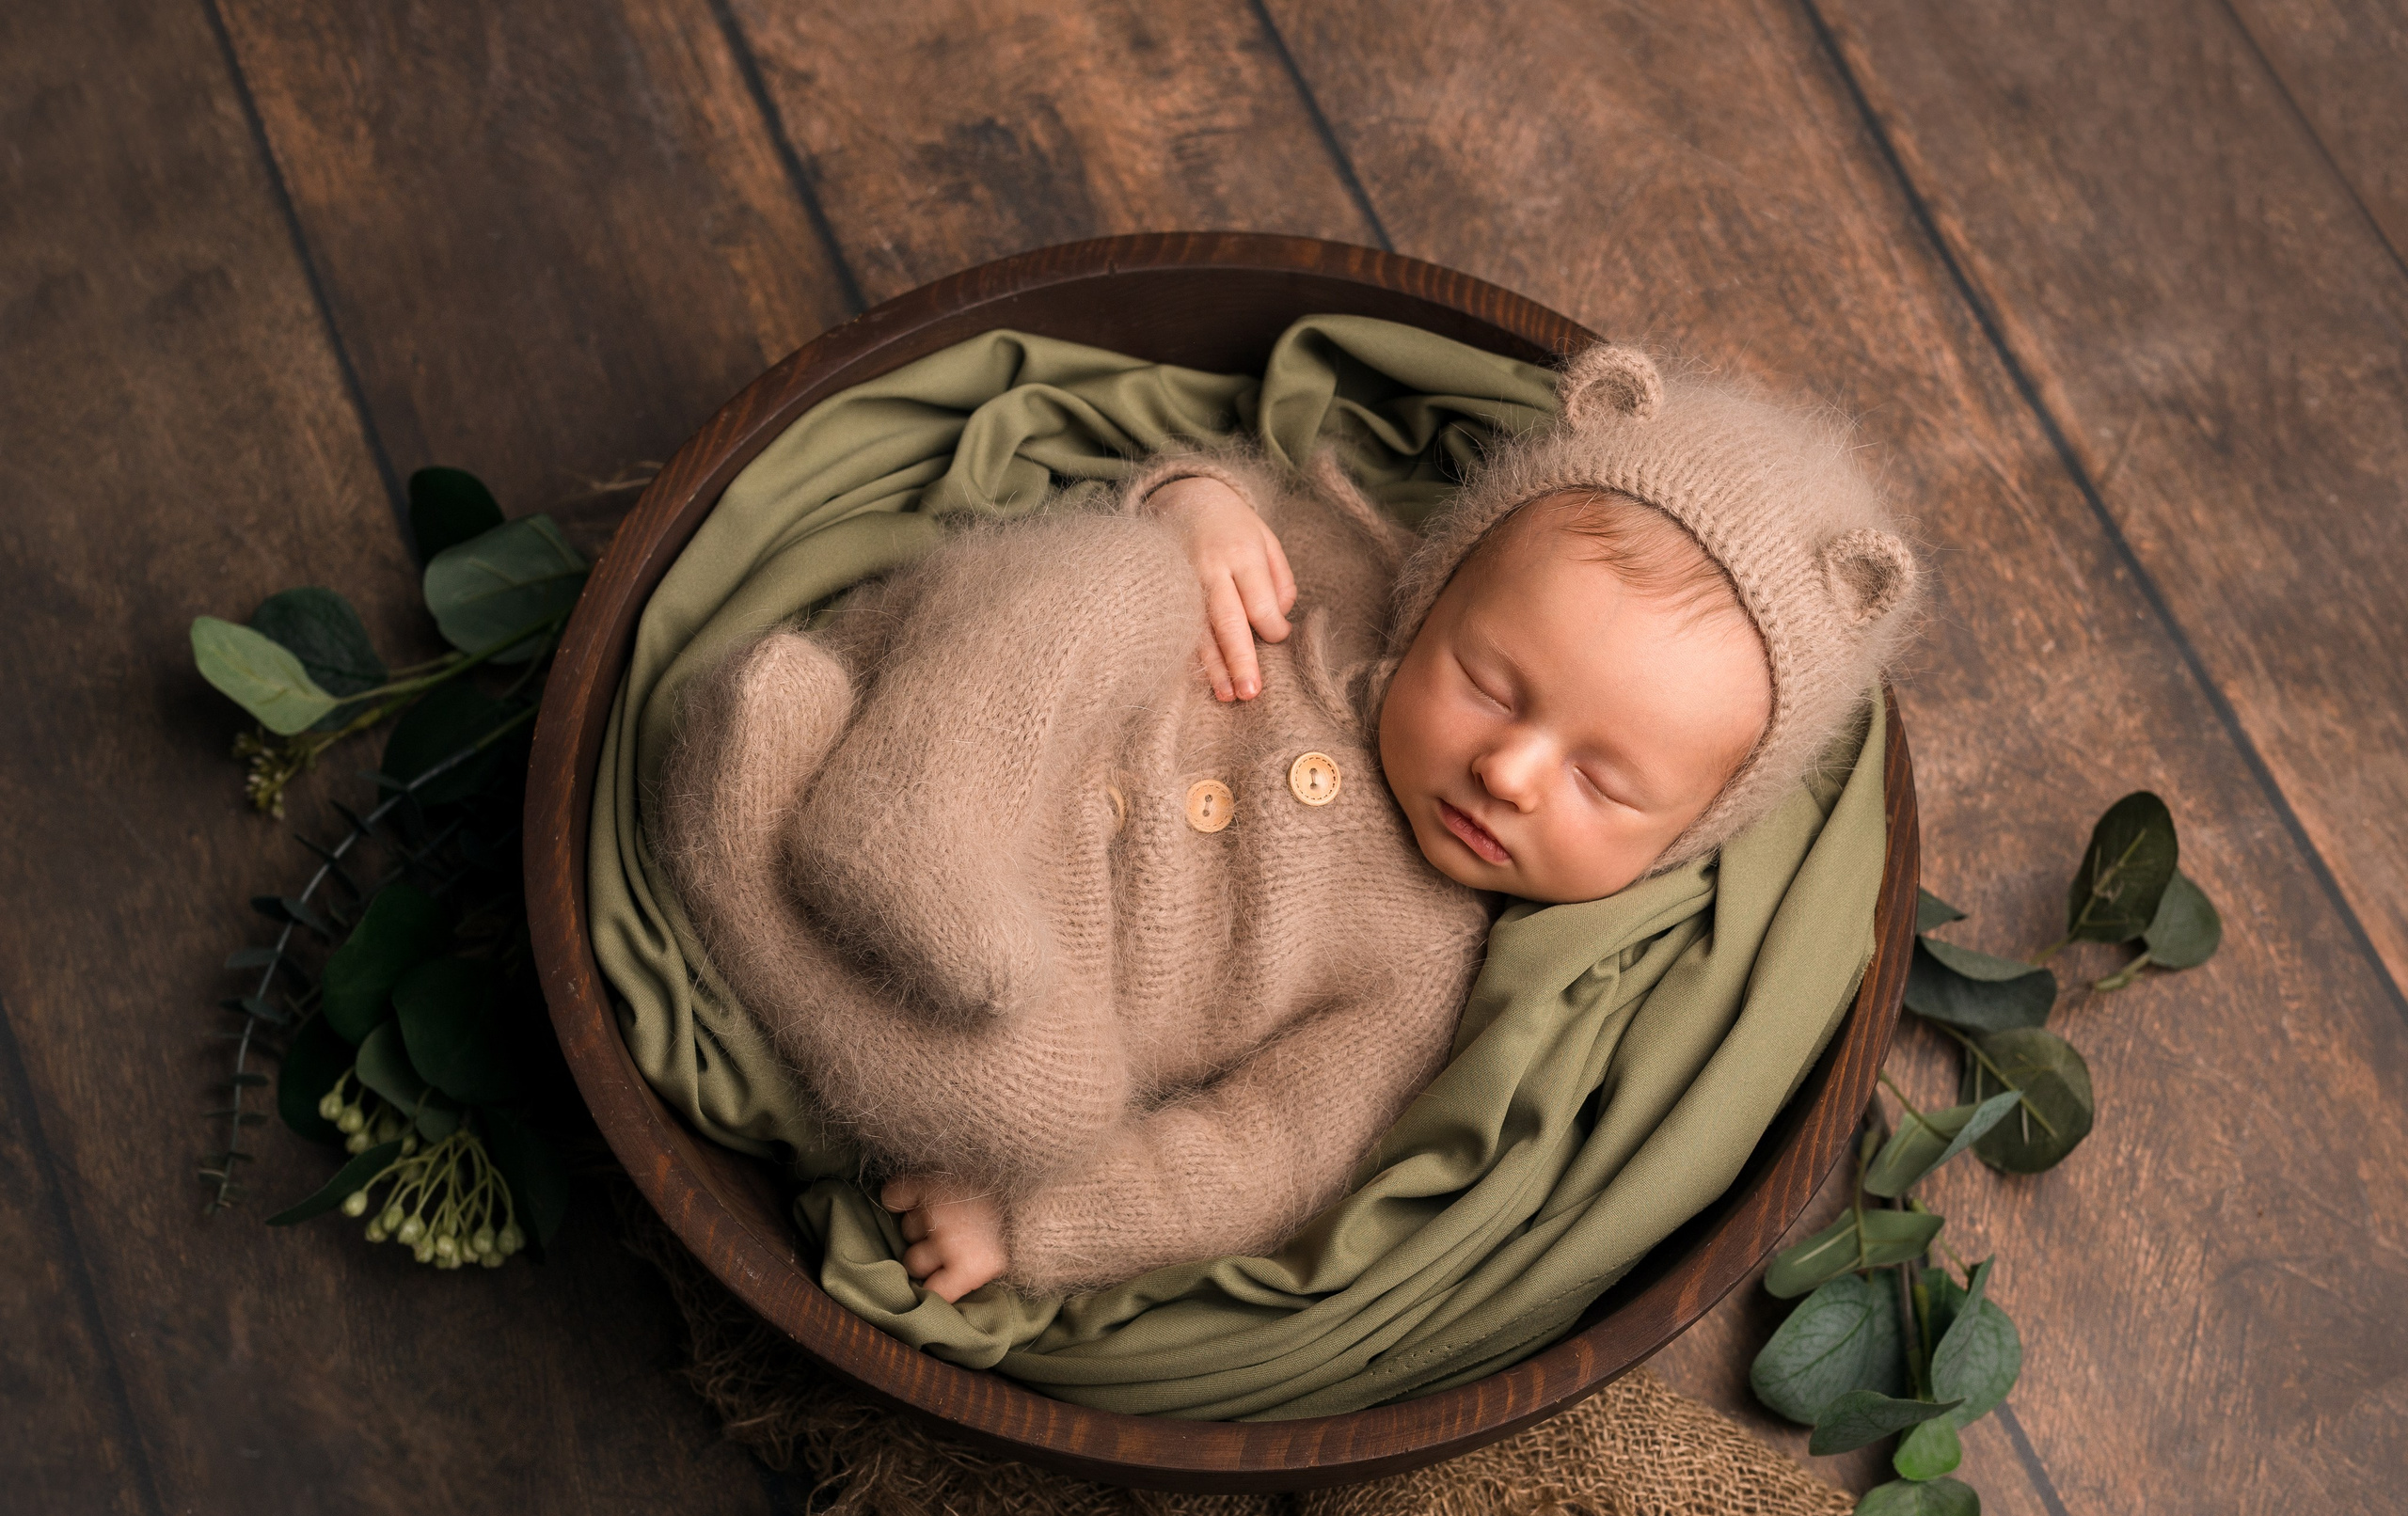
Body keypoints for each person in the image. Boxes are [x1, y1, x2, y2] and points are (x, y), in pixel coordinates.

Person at [657, 343, 1922, 1302]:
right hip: (978, 719)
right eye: (1489, 683)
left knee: (1043, 1107)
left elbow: (1262, 1155)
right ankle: (903, 806)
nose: (1513, 771)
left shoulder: (1419, 975)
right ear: (1436, 585)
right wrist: (1197, 508)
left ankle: (744, 843)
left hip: (1026, 983)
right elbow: (1207, 492)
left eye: (1605, 785)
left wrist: (1035, 1228)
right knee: (1116, 576)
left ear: (1686, 838)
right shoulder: (1336, 577)